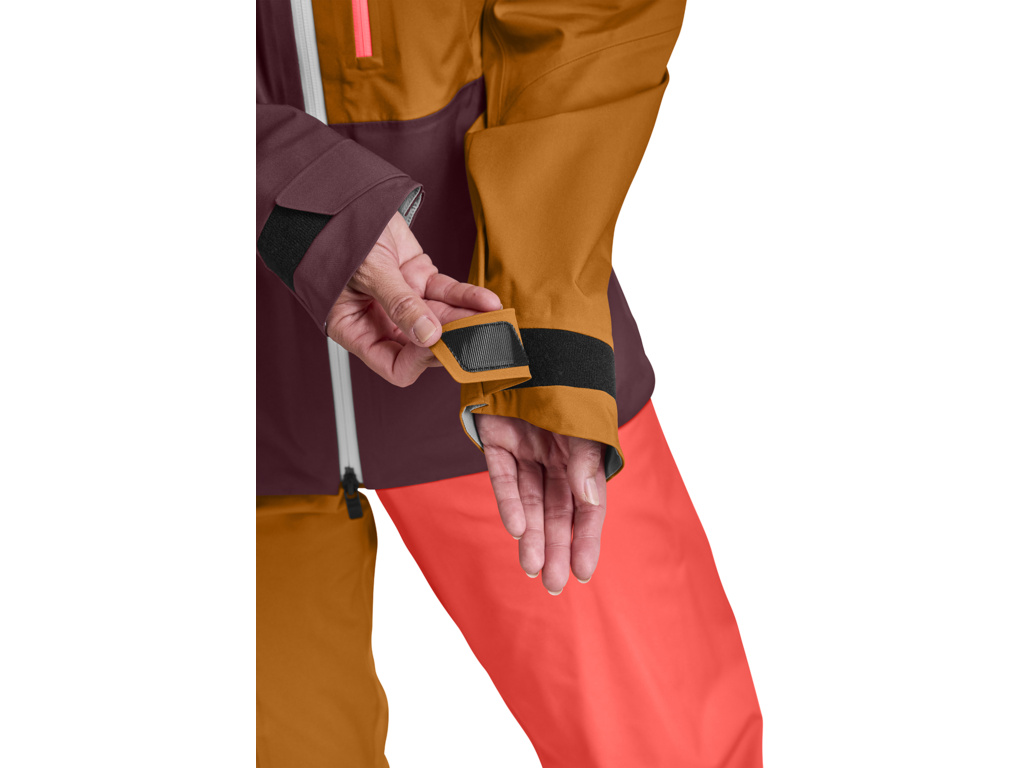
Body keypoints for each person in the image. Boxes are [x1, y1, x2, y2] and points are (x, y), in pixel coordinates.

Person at [256, 0, 764, 765]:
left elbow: (593, 17)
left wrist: (544, 327)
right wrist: (285, 186)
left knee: (673, 750)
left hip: (487, 338)